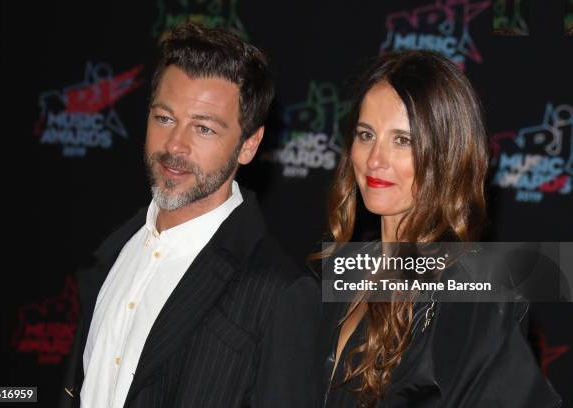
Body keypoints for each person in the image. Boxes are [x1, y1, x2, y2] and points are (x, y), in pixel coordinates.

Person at [60, 22, 320, 408]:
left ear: (249, 145)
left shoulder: (279, 293)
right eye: (164, 119)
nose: (174, 145)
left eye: (203, 128)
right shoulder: (115, 251)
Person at [318, 50, 562, 407]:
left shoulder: (471, 293)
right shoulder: (343, 271)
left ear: (446, 154)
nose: (374, 160)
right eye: (365, 134)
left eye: (403, 140)